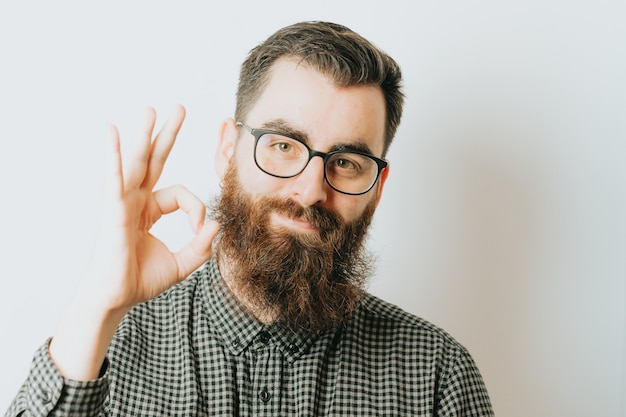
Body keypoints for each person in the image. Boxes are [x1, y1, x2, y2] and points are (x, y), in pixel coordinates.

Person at [6, 21, 494, 416]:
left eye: (346, 162)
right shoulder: (103, 350)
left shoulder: (436, 375)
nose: (310, 190)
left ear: (377, 188)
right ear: (227, 150)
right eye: (283, 146)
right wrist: (96, 309)